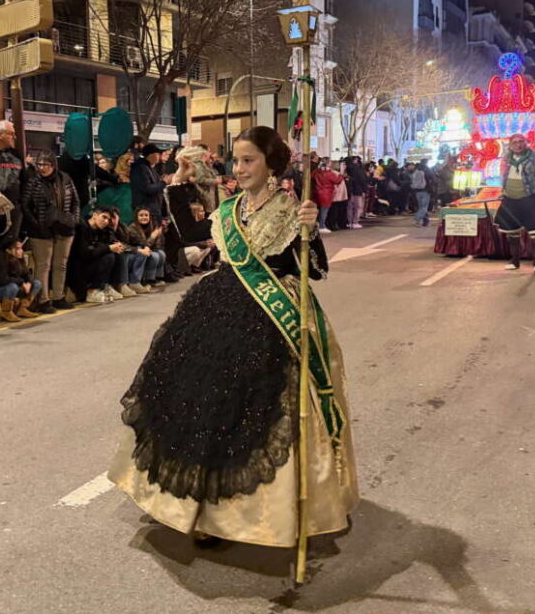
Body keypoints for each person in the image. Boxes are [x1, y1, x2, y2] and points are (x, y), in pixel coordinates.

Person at [109, 126, 358, 549]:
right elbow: (190, 236)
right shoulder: (230, 208)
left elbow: (314, 269)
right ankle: (194, 506)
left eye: (249, 160)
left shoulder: (290, 209)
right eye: (237, 160)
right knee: (197, 401)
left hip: (269, 315)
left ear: (272, 165)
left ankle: (237, 516)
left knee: (251, 409)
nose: (239, 169)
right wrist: (178, 182)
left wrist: (310, 232)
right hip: (217, 309)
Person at [22, 151, 80, 313]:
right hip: (41, 231)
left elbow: (75, 201)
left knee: (60, 264)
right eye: (39, 164)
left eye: (45, 164)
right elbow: (26, 206)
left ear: (53, 165)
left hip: (64, 227)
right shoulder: (33, 181)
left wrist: (73, 219)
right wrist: (37, 224)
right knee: (43, 265)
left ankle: (59, 297)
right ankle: (43, 300)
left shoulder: (65, 179)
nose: (41, 168)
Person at [495, 134, 535, 275]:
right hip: (510, 198)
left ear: (526, 143)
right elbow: (503, 176)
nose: (518, 145)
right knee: (512, 231)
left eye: (521, 142)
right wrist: (502, 190)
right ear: (510, 144)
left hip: (530, 197)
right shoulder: (506, 158)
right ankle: (514, 261)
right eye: (515, 142)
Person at [0, 240, 41, 321]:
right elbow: (3, 280)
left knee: (37, 283)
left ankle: (22, 308)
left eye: (21, 248)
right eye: (17, 249)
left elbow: (27, 274)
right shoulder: (2, 261)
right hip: (1, 290)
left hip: (16, 288)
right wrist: (21, 282)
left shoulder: (20, 260)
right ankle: (6, 312)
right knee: (12, 287)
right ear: (9, 250)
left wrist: (28, 282)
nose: (21, 251)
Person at [127, 208, 167, 290]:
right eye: (141, 215)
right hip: (135, 251)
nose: (144, 217)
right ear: (136, 217)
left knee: (161, 254)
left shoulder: (152, 226)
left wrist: (158, 235)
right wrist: (153, 237)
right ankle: (146, 280)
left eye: (146, 215)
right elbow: (141, 244)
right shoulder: (132, 228)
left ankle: (156, 278)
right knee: (154, 256)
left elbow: (157, 245)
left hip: (148, 248)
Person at [130, 144, 166, 222]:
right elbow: (147, 188)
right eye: (157, 154)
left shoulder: (150, 168)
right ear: (151, 155)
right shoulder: (140, 168)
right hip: (146, 211)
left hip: (153, 209)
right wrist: (164, 182)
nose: (159, 157)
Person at [312, 156, 342, 234]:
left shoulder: (317, 171)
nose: (331, 163)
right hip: (327, 193)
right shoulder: (329, 173)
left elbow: (311, 176)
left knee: (320, 210)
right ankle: (322, 226)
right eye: (330, 162)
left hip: (317, 192)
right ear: (328, 163)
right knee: (324, 211)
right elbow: (337, 181)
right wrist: (341, 174)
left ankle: (319, 225)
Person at [409, 162, 431, 227]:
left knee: (421, 207)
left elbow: (412, 183)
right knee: (424, 207)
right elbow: (432, 180)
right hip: (426, 191)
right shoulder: (426, 172)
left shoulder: (415, 173)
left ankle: (426, 221)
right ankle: (417, 219)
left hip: (417, 192)